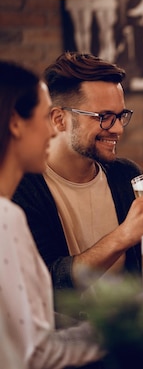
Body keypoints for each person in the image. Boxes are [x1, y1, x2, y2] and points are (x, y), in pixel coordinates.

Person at [12, 51, 143, 292]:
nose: (118, 129)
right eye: (105, 117)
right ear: (59, 119)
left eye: (121, 116)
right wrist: (124, 235)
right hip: (64, 329)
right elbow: (46, 283)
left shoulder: (126, 175)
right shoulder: (24, 187)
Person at [0, 60, 103, 368]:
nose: (52, 130)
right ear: (16, 123)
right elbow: (37, 353)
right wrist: (124, 330)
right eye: (46, 117)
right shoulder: (7, 218)